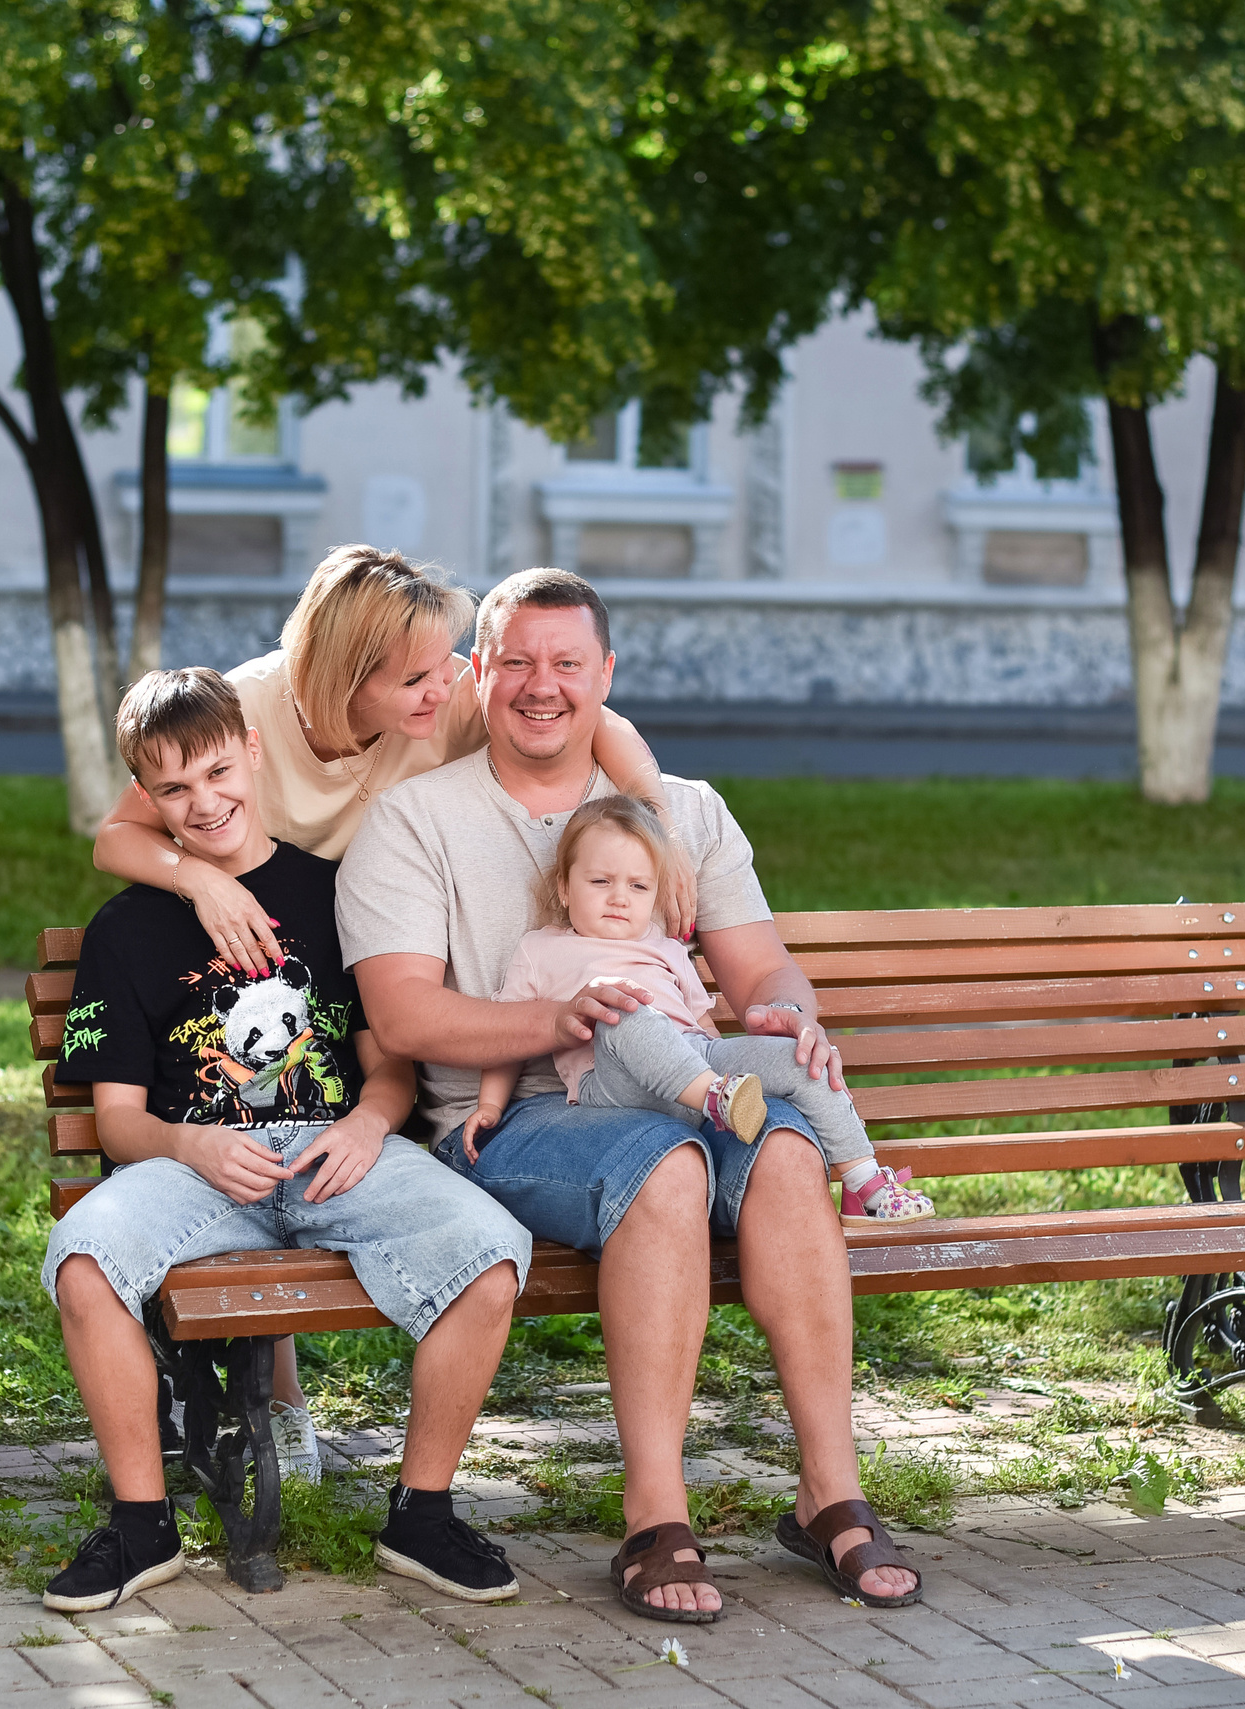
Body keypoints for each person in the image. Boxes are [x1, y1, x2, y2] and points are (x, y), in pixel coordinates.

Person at [338, 569, 925, 1624]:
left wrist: (794, 1019)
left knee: (786, 1149)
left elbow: (762, 972)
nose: (540, 685)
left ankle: (828, 1489)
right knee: (668, 1165)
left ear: (606, 675)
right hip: (514, 1115)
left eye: (567, 662)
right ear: (480, 672)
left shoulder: (684, 814)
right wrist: (561, 1022)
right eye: (514, 659)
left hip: (687, 1089)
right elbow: (406, 1013)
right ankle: (656, 1510)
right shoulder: (413, 819)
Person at [90, 543, 682, 1481]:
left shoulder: (435, 699)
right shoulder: (243, 716)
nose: (446, 686)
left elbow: (592, 716)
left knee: (323, 1117)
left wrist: (654, 811)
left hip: (349, 944)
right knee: (249, 1113)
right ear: (341, 678)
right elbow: (118, 832)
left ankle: (282, 1406)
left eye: (445, 662)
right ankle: (264, 1391)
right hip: (245, 930)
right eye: (416, 675)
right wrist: (197, 881)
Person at [41, 668, 532, 1612]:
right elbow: (116, 1121)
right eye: (175, 790)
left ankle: (421, 1514)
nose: (205, 802)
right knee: (84, 1262)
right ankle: (142, 1526)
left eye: (220, 772)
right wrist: (192, 1146)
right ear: (145, 794)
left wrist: (367, 1121)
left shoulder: (334, 893)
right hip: (193, 1162)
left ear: (252, 750)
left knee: (488, 1252)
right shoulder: (127, 927)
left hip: (331, 1151)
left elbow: (388, 1062)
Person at [465, 793, 932, 1224]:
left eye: (638, 886)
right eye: (600, 881)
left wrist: (749, 1054)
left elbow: (699, 1024)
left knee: (800, 1055)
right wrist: (490, 1105)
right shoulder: (540, 950)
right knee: (617, 1001)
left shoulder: (666, 948)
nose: (619, 897)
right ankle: (718, 1099)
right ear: (565, 888)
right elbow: (509, 1037)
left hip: (695, 1064)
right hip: (613, 1084)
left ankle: (863, 1183)